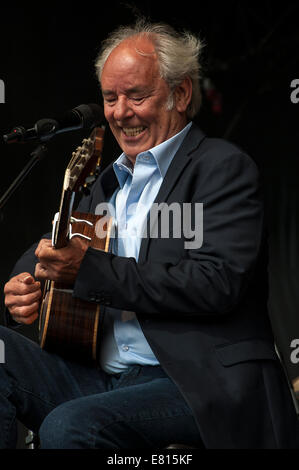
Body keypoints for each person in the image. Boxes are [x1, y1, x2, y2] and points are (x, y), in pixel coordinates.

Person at [1, 19, 299, 449]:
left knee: (70, 426)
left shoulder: (221, 168)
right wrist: (23, 284)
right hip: (102, 380)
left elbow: (217, 282)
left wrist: (89, 270)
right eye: (110, 98)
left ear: (180, 94)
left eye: (136, 96)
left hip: (195, 385)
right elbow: (50, 250)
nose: (121, 112)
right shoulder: (106, 183)